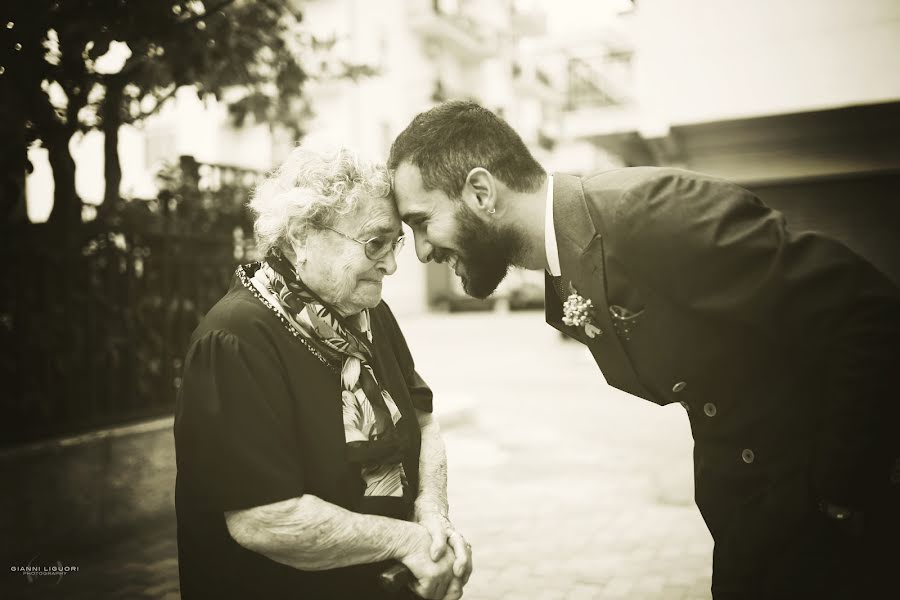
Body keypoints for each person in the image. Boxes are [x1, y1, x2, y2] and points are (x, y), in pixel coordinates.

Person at [388, 100, 900, 599]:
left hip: (827, 523)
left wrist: (838, 491)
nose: (422, 251)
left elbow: (870, 316)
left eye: (420, 222)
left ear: (481, 192)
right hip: (752, 520)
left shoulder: (650, 210)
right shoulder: (565, 263)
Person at [174, 147, 472, 600]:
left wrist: (432, 514)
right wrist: (406, 540)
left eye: (395, 244)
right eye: (374, 242)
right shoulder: (236, 339)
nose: (391, 264)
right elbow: (264, 519)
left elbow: (424, 419)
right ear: (300, 237)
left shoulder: (370, 312)